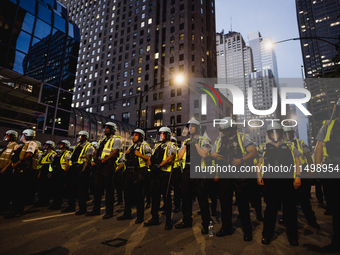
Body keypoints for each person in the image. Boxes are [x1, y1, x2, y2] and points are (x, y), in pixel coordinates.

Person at [209, 117, 258, 241]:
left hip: (240, 176)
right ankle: (226, 228)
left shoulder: (243, 138)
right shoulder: (219, 140)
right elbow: (211, 154)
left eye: (228, 130)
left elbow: (253, 152)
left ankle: (247, 231)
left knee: (242, 204)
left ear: (233, 128)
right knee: (225, 204)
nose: (225, 133)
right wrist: (212, 155)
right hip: (225, 176)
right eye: (223, 130)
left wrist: (241, 160)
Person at [257, 123, 302, 246]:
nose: (274, 134)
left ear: (281, 133)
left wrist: (298, 177)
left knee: (290, 210)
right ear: (269, 134)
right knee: (270, 210)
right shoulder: (263, 147)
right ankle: (267, 235)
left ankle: (293, 236)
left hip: (287, 181)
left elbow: (297, 162)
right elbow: (259, 163)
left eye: (276, 132)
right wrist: (259, 176)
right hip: (270, 182)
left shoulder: (290, 145)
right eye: (272, 132)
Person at [175, 118, 212, 234]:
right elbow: (179, 157)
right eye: (189, 126)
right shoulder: (186, 141)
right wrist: (186, 145)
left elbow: (204, 154)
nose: (189, 128)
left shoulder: (204, 139)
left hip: (198, 170)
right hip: (187, 170)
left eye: (192, 126)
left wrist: (195, 143)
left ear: (198, 128)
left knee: (202, 198)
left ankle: (206, 225)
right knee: (185, 197)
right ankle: (187, 220)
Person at [314, 98, 340, 253]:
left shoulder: (328, 125)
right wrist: (318, 168)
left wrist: (318, 168)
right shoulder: (328, 125)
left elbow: (318, 147)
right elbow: (319, 147)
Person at [283, 126, 319, 229]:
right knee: (287, 200)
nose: (287, 135)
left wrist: (311, 171)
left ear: (292, 133)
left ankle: (312, 220)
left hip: (301, 172)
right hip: (288, 173)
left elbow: (308, 157)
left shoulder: (300, 143)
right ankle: (286, 219)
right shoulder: (281, 144)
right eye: (285, 133)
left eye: (289, 133)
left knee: (304, 199)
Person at [86, 122, 121, 219]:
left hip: (107, 166)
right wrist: (96, 158)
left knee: (109, 190)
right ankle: (95, 209)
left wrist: (103, 161)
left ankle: (109, 212)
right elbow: (97, 151)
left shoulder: (116, 139)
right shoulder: (102, 140)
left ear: (112, 129)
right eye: (105, 127)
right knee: (97, 189)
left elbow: (114, 153)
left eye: (107, 128)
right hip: (99, 165)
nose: (105, 129)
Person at [144, 127, 176, 230]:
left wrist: (160, 165)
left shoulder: (172, 145)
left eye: (163, 134)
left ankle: (168, 221)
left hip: (165, 175)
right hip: (155, 175)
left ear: (167, 135)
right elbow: (150, 157)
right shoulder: (157, 146)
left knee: (166, 199)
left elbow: (170, 158)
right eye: (160, 134)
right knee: (155, 198)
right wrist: (150, 165)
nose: (160, 136)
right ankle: (154, 218)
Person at [117, 129, 151, 223]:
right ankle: (127, 213)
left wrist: (140, 155)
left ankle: (140, 217)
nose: (134, 137)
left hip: (138, 173)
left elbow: (149, 158)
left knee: (139, 196)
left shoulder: (145, 146)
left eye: (136, 135)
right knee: (127, 194)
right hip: (129, 173)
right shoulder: (131, 147)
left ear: (141, 136)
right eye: (133, 135)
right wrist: (126, 154)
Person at [4, 129, 39, 218]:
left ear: (27, 135)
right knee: (16, 191)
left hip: (25, 171)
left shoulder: (32, 143)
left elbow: (28, 155)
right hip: (21, 170)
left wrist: (18, 163)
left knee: (19, 192)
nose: (21, 136)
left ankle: (17, 211)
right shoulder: (25, 145)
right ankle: (14, 209)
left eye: (23, 135)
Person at [62, 131, 93, 215]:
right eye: (78, 136)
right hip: (74, 169)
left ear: (85, 137)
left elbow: (88, 160)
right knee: (72, 189)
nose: (79, 137)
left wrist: (83, 171)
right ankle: (71, 206)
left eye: (81, 136)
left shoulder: (89, 147)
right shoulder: (76, 146)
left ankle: (82, 208)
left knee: (81, 191)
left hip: (82, 169)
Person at [0, 130, 20, 212]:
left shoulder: (16, 146)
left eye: (7, 135)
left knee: (5, 190)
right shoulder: (7, 146)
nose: (6, 136)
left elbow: (12, 160)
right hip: (1, 169)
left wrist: (5, 168)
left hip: (7, 171)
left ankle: (5, 207)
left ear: (12, 136)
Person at [49, 140, 71, 210]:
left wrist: (65, 172)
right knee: (54, 189)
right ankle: (54, 203)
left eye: (62, 144)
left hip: (61, 173)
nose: (60, 145)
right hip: (55, 172)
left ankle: (58, 204)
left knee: (59, 190)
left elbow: (67, 164)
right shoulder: (58, 153)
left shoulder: (67, 153)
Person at [36, 140, 57, 206]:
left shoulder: (53, 154)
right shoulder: (44, 153)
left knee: (46, 187)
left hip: (48, 170)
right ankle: (41, 201)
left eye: (46, 145)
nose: (45, 146)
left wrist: (50, 172)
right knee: (41, 187)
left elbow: (52, 164)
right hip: (42, 170)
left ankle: (45, 202)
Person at [170, 136, 182, 213]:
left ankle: (177, 206)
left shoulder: (177, 149)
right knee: (168, 190)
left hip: (176, 171)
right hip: (170, 170)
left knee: (177, 190)